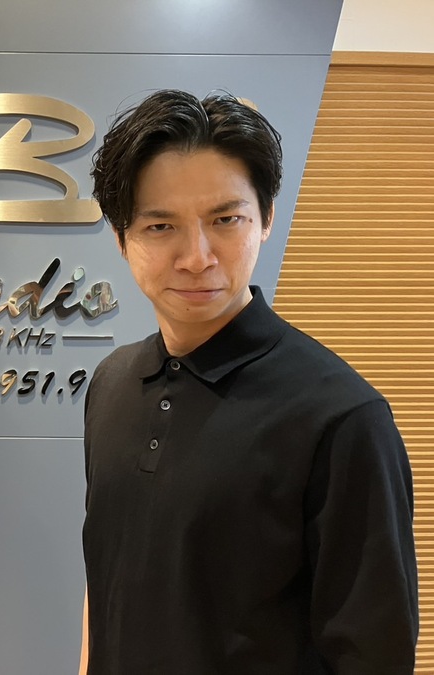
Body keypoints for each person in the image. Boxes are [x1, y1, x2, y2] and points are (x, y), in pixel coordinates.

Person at [80, 90, 418, 674]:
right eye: (160, 225)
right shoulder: (112, 385)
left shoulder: (342, 416)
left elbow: (373, 652)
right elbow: (107, 580)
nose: (197, 256)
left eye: (225, 220)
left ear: (265, 220)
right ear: (120, 236)